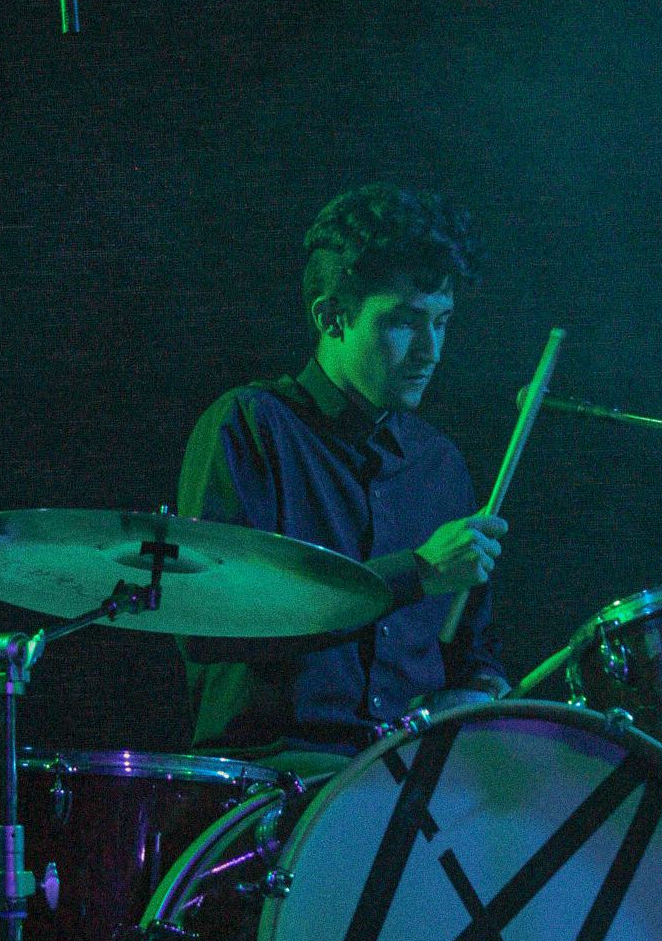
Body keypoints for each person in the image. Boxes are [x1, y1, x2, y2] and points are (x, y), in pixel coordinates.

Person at [177, 183, 510, 773]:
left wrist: (480, 688)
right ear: (331, 317)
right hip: (277, 769)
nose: (431, 350)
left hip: (402, 774)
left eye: (443, 322)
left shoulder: (440, 464)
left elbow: (468, 648)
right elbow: (214, 622)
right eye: (404, 323)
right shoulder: (251, 425)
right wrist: (414, 574)